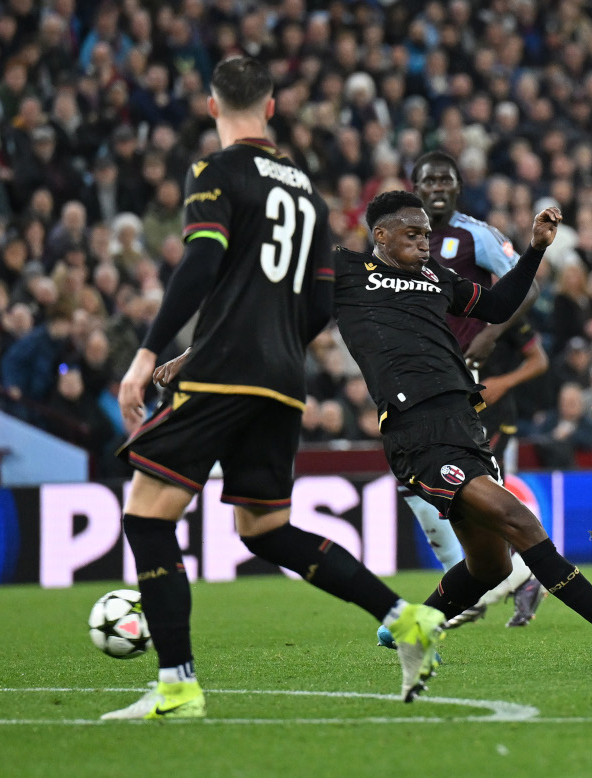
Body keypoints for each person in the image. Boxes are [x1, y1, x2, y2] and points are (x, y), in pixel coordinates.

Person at [104, 57, 444, 721]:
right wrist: (270, 347)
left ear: (212, 107)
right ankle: (405, 618)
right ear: (270, 107)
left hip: (227, 370)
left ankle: (177, 685)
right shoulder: (307, 193)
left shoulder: (215, 171)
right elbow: (319, 303)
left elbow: (201, 259)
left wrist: (148, 354)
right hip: (283, 379)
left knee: (146, 516)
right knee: (263, 527)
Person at [336, 190, 592, 671]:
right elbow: (275, 290)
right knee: (522, 522)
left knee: (491, 565)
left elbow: (497, 306)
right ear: (381, 235)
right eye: (412, 235)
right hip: (417, 430)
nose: (425, 242)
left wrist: (534, 250)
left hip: (464, 424)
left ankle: (414, 626)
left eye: (427, 234)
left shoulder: (435, 277)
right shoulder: (346, 272)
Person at [383, 150, 548, 633]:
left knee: (478, 491)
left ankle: (509, 578)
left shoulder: (475, 235)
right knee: (415, 485)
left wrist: (492, 334)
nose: (437, 187)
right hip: (419, 382)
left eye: (445, 179)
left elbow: (527, 286)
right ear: (414, 187)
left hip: (468, 384)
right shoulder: (398, 240)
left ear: (458, 186)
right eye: (428, 180)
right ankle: (478, 581)